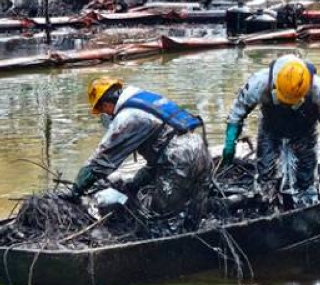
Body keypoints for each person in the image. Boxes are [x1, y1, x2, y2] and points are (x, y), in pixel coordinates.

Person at [66, 77, 212, 230]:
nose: (105, 115)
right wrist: (135, 183)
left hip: (179, 159)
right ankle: (196, 235)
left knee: (160, 217)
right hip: (199, 147)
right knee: (195, 213)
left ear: (106, 104)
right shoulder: (142, 99)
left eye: (103, 111)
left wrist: (76, 189)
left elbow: (101, 161)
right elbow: (159, 154)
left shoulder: (127, 117)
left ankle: (171, 241)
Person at [222, 55, 320, 207]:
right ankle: (265, 202)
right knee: (266, 172)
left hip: (304, 131)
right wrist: (230, 144)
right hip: (270, 128)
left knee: (305, 175)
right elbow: (237, 113)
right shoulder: (259, 83)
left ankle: (306, 203)